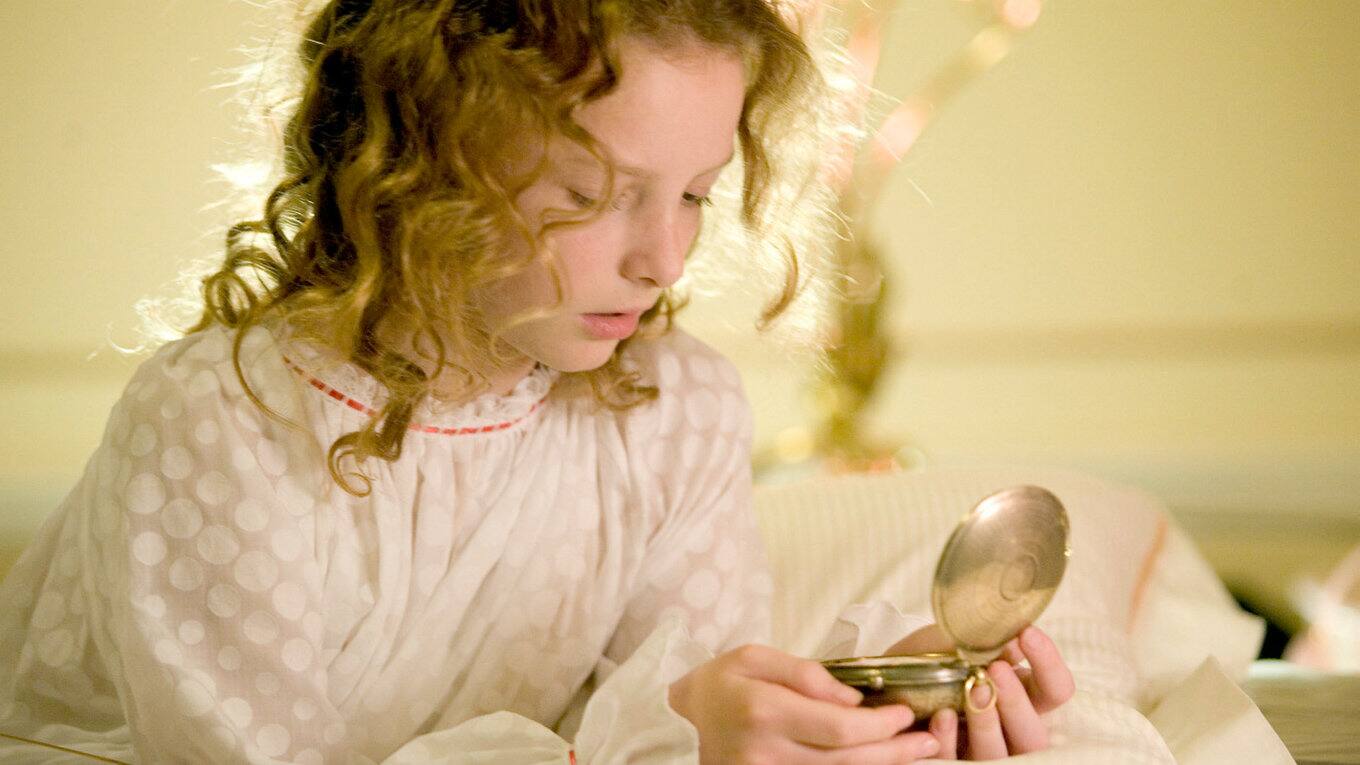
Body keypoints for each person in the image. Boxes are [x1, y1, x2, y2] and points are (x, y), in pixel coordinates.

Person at [0, 1, 1072, 762]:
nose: (664, 260)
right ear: (424, 161)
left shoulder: (674, 412)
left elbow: (671, 713)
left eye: (695, 194)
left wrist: (864, 709)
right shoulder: (223, 419)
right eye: (593, 194)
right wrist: (668, 740)